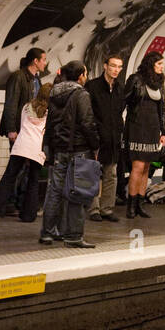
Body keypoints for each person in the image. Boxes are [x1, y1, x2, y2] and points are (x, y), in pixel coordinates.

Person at [40, 61, 99, 248]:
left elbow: (50, 123)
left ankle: (48, 233)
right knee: (78, 192)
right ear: (80, 75)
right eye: (86, 73)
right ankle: (73, 236)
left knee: (54, 191)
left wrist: (48, 146)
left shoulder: (55, 93)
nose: (86, 76)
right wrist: (95, 145)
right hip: (79, 149)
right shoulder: (81, 94)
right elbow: (87, 122)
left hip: (59, 149)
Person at [0, 82, 50, 223]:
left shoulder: (26, 107)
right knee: (33, 181)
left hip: (20, 146)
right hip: (36, 150)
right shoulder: (48, 112)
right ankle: (28, 214)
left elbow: (21, 124)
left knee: (9, 178)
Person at [0, 47, 48, 215]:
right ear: (35, 61)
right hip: (19, 131)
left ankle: (21, 203)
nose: (45, 63)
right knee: (15, 169)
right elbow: (11, 103)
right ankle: (8, 203)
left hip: (30, 133)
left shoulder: (36, 79)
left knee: (26, 170)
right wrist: (11, 129)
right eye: (43, 60)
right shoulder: (18, 77)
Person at [122, 51, 165, 219]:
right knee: (138, 167)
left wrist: (164, 132)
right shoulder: (135, 79)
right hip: (137, 128)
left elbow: (163, 109)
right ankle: (131, 205)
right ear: (151, 64)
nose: (162, 67)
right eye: (159, 64)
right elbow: (123, 102)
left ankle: (140, 204)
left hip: (153, 129)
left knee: (147, 167)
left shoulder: (160, 82)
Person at [85, 54, 126, 223]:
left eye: (119, 67)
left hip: (114, 138)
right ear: (105, 66)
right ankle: (93, 208)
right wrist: (94, 134)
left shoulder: (120, 88)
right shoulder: (92, 86)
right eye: (113, 66)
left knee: (112, 174)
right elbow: (88, 113)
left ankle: (107, 208)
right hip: (96, 137)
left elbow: (119, 113)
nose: (116, 70)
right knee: (93, 174)